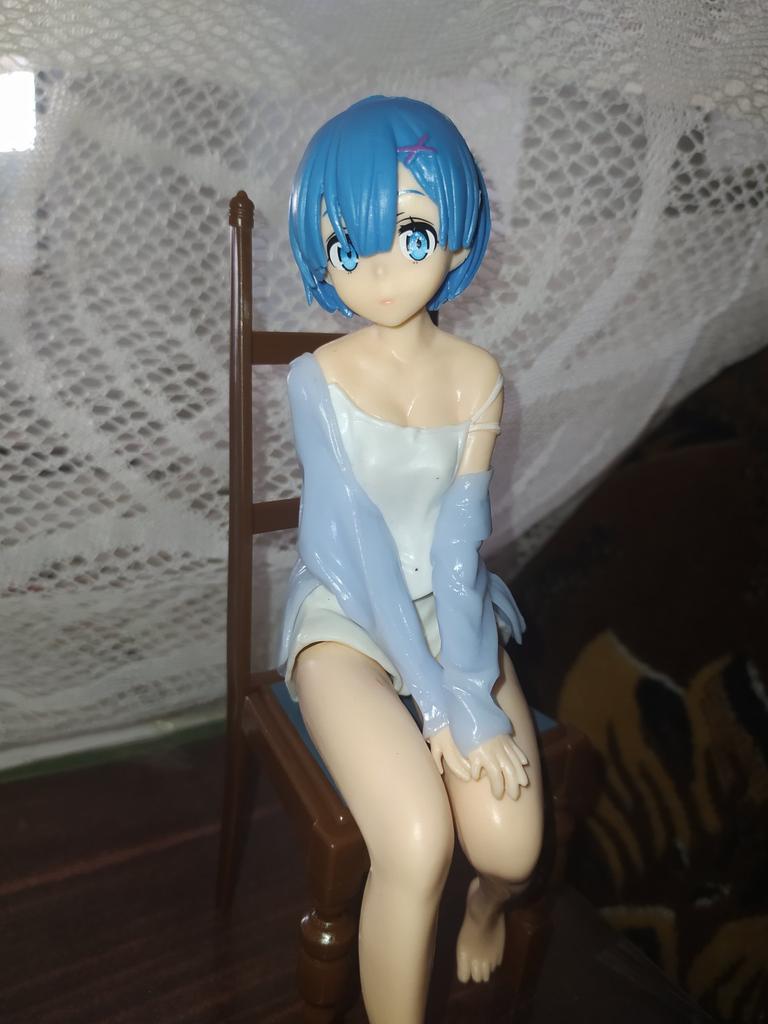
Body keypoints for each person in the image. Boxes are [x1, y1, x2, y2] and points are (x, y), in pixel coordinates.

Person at [278, 95, 543, 1024]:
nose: (382, 269)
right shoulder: (316, 380)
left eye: (412, 232)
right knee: (418, 840)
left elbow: (457, 545)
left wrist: (468, 691)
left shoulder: (479, 377)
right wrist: (434, 705)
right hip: (346, 614)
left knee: (510, 849)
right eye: (346, 246)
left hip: (450, 610)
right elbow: (356, 548)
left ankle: (486, 911)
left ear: (455, 233)